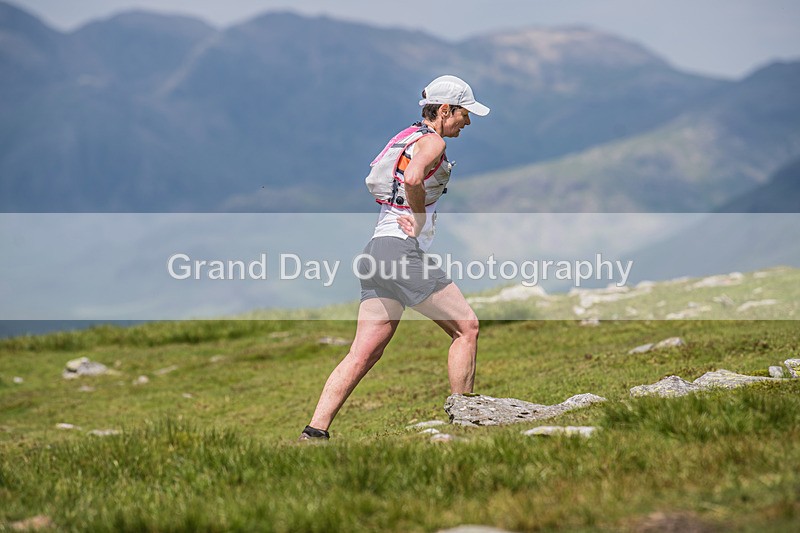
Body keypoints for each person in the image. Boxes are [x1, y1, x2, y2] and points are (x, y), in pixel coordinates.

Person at [299, 75, 490, 441]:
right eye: (464, 114)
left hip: (376, 252)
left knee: (362, 354)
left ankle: (314, 432)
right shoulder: (432, 141)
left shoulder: (407, 137)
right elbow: (414, 178)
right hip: (400, 252)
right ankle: (467, 423)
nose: (467, 122)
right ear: (445, 110)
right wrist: (418, 220)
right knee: (466, 327)